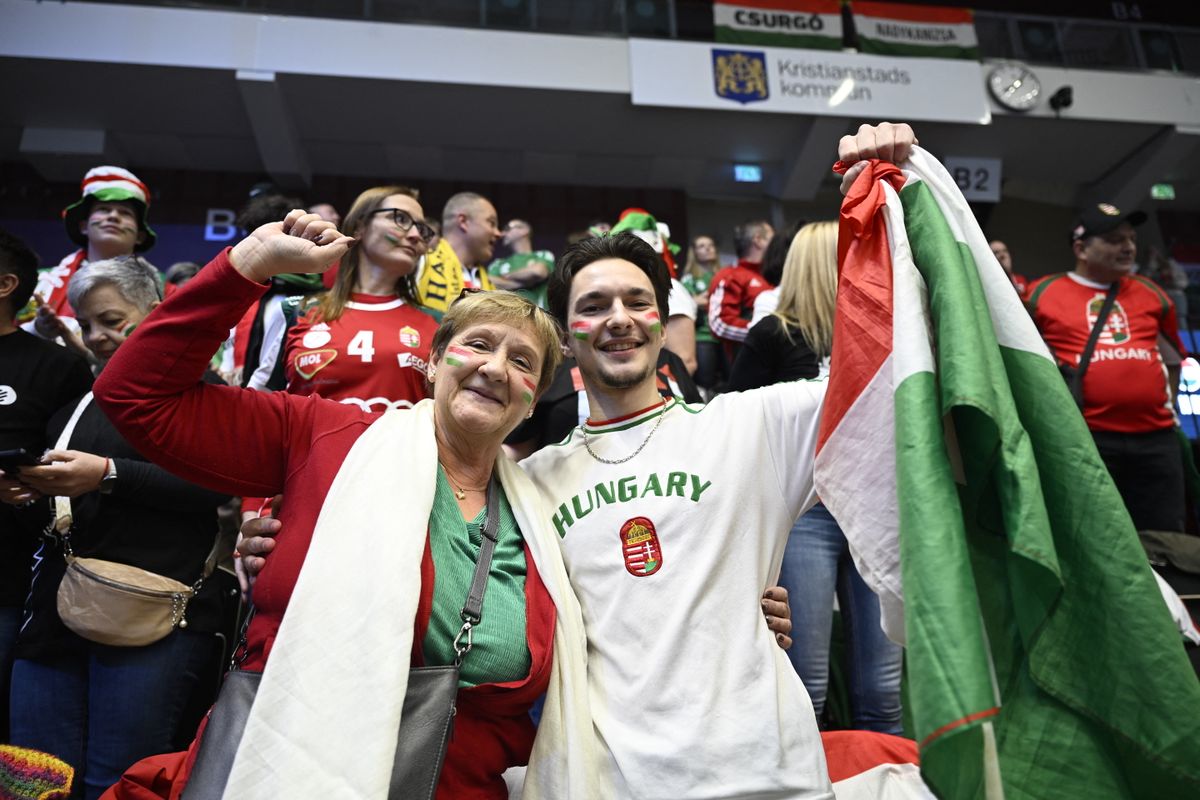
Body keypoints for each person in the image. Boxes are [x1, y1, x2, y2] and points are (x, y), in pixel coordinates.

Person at [238, 122, 917, 798]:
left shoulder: (756, 425)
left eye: (637, 302)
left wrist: (900, 195)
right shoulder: (526, 484)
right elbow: (413, 543)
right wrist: (289, 533)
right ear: (566, 338)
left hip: (766, 778)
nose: (619, 317)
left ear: (662, 322)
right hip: (608, 784)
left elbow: (904, 365)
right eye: (595, 305)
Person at [7, 257, 231, 800]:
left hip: (154, 610)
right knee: (33, 778)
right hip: (55, 609)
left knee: (119, 780)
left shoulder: (203, 390)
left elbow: (215, 486)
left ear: (156, 311)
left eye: (110, 320)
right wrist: (27, 491)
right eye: (86, 325)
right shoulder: (80, 398)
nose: (96, 337)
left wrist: (108, 474)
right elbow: (63, 506)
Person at [728, 222, 903, 734]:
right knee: (807, 686)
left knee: (883, 690)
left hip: (875, 510)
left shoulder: (879, 330)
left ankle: (883, 774)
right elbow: (735, 423)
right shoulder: (773, 335)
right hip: (807, 514)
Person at [1026, 203, 1188, 534]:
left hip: (1156, 442)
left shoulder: (1153, 294)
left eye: (1131, 239)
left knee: (1165, 539)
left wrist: (1167, 408)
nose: (1128, 247)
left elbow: (1173, 359)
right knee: (1092, 534)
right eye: (1114, 240)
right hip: (1085, 440)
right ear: (1081, 249)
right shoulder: (1041, 293)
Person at [0, 229, 94, 743]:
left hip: (13, 579)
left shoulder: (57, 367)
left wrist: (28, 485)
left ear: (6, 284)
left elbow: (68, 474)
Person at [282, 186, 440, 413]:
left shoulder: (438, 324)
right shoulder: (297, 311)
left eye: (422, 229)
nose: (416, 235)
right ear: (359, 227)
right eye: (400, 219)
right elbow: (265, 402)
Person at [28, 167, 155, 332]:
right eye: (103, 209)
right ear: (83, 226)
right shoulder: (37, 283)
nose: (113, 216)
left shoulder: (164, 290)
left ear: (140, 236)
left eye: (125, 213)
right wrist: (37, 328)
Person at [415, 192, 499, 315]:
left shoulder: (487, 284)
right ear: (463, 222)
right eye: (491, 223)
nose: (498, 233)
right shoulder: (420, 263)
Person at [708, 218, 774, 357]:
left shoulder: (774, 275)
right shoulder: (730, 275)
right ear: (758, 240)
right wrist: (770, 333)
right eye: (773, 238)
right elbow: (720, 325)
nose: (778, 243)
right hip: (750, 359)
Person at [681, 234, 724, 390]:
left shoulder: (723, 275)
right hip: (703, 335)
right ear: (694, 252)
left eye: (710, 245)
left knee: (730, 381)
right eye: (702, 246)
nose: (707, 248)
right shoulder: (689, 278)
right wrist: (695, 301)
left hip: (725, 335)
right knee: (706, 383)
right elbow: (687, 304)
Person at [488, 218, 554, 308]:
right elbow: (489, 282)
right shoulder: (498, 263)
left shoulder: (543, 255)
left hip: (539, 315)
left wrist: (506, 276)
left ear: (524, 231)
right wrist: (524, 283)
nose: (502, 234)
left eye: (507, 229)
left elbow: (538, 272)